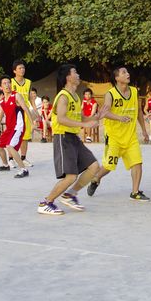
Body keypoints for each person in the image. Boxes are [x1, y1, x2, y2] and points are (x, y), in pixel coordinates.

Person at [37, 64, 104, 216]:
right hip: (63, 137)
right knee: (71, 176)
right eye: (75, 72)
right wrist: (85, 125)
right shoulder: (63, 96)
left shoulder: (75, 96)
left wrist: (97, 116)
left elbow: (81, 117)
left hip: (73, 137)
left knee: (94, 167)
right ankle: (46, 202)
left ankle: (70, 194)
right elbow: (61, 118)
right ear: (68, 77)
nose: (78, 75)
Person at [87, 65, 150, 201]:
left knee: (137, 163)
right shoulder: (110, 94)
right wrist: (119, 118)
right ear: (116, 78)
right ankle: (96, 178)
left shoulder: (134, 91)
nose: (127, 74)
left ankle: (135, 192)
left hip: (130, 136)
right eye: (123, 72)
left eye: (127, 72)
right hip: (114, 137)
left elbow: (139, 111)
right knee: (109, 166)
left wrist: (144, 131)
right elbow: (105, 112)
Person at [0, 77, 33, 178]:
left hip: (18, 127)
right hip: (10, 128)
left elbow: (26, 108)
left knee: (10, 146)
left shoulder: (16, 96)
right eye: (5, 83)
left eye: (9, 82)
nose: (7, 85)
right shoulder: (2, 102)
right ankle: (5, 165)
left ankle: (24, 170)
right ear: (1, 87)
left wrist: (32, 123)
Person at [10, 60, 35, 163]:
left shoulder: (28, 82)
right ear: (14, 71)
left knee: (25, 136)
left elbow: (31, 99)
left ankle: (23, 158)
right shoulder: (10, 82)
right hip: (14, 111)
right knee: (12, 135)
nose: (22, 70)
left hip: (26, 111)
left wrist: (35, 111)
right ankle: (11, 159)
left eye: (23, 68)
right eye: (20, 68)